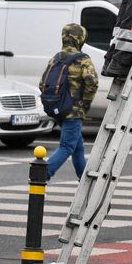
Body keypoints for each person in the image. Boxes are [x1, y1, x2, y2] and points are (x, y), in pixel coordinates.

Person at [44, 23, 98, 180]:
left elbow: (43, 83)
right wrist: (85, 104)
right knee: (67, 146)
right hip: (73, 111)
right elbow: (92, 83)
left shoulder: (55, 58)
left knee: (77, 146)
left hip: (58, 108)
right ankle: (42, 174)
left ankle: (84, 179)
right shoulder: (82, 59)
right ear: (80, 38)